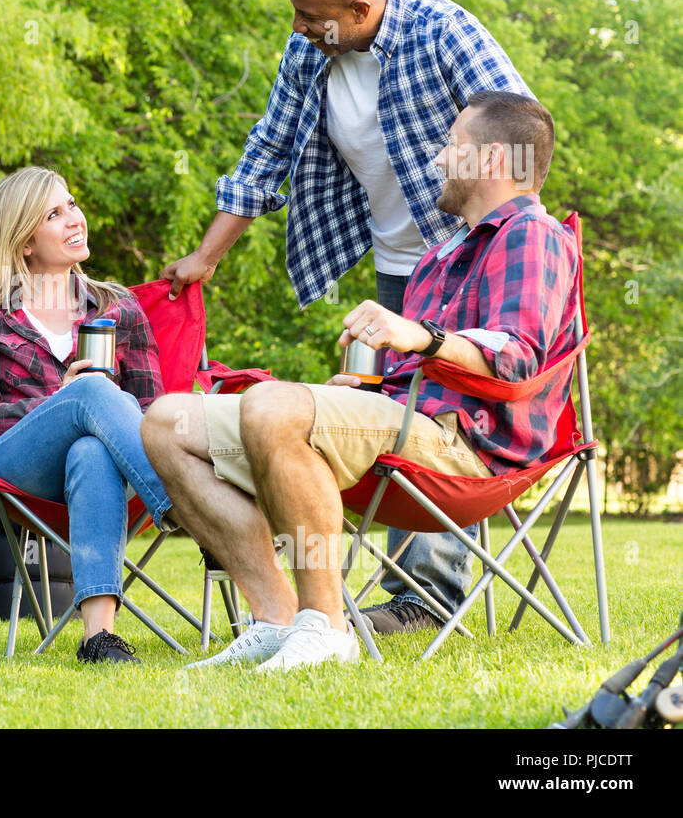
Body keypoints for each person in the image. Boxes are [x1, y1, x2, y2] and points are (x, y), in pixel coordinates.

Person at [161, 0, 534, 635]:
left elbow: (519, 129)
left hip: (468, 260)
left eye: (311, 16)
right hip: (400, 269)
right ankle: (364, 598)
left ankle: (429, 597)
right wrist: (207, 257)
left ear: (360, 8)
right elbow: (268, 148)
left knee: (444, 417)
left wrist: (509, 243)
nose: (298, 28)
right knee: (396, 420)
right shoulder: (311, 51)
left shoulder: (442, 29)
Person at [143, 91, 579, 671]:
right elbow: (414, 376)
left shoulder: (531, 233)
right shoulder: (441, 254)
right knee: (167, 422)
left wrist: (420, 335)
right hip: (407, 426)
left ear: (492, 159)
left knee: (273, 406)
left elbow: (518, 354)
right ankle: (279, 618)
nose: (439, 160)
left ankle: (326, 628)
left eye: (451, 146)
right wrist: (365, 392)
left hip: (466, 448)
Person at [0, 166, 176, 664]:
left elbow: (151, 407)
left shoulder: (120, 308)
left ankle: (99, 638)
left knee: (92, 449)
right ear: (25, 242)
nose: (75, 219)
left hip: (105, 468)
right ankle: (189, 505)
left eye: (72, 204)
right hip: (20, 469)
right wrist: (62, 400)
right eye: (54, 214)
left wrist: (89, 409)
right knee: (89, 391)